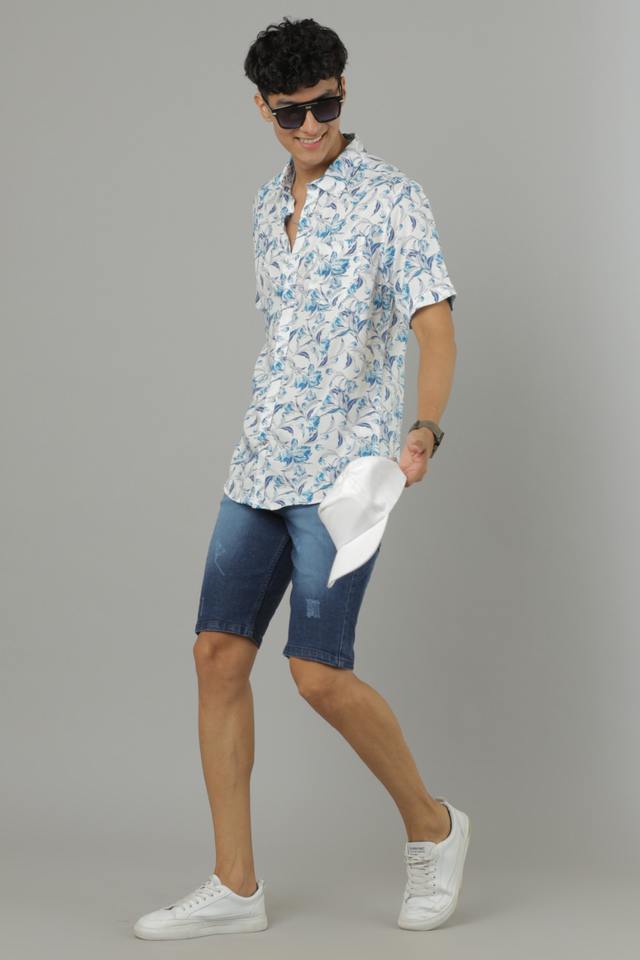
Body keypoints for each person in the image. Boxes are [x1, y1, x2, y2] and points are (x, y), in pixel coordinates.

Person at [134, 16, 470, 940]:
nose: (312, 125)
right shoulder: (262, 206)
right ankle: (235, 885)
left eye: (324, 105)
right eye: (292, 113)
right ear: (264, 110)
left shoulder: (392, 198)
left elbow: (433, 327)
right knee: (216, 656)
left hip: (347, 472)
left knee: (318, 674)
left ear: (343, 91)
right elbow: (287, 337)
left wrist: (423, 430)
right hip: (260, 462)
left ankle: (434, 828)